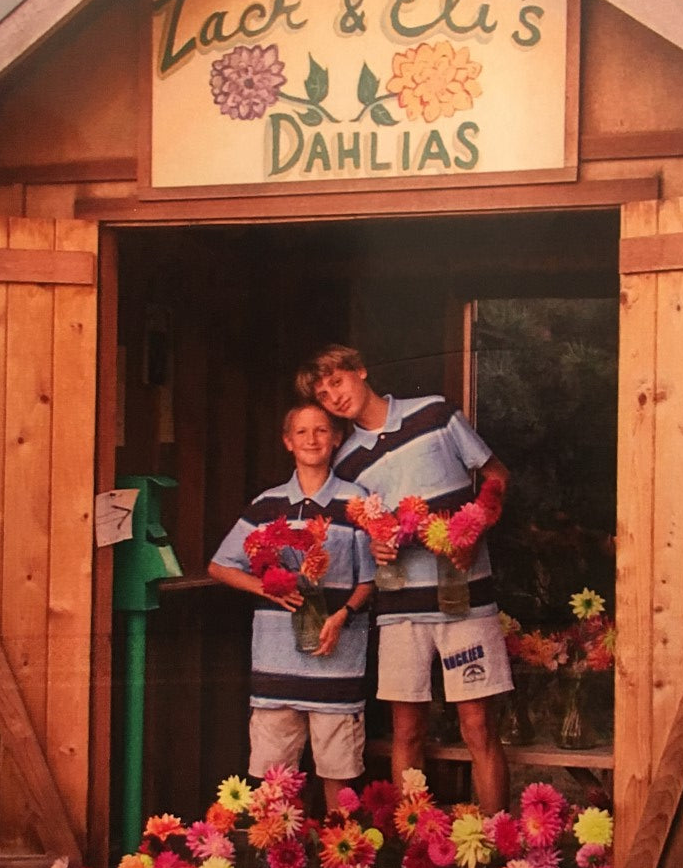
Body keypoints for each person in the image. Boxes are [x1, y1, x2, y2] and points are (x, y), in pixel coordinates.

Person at [295, 344, 513, 813]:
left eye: (337, 381)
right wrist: (376, 545)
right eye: (322, 392)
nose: (333, 396)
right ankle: (416, 847)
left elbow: (495, 474)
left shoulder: (434, 413)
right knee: (407, 731)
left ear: (361, 371)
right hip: (399, 608)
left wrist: (476, 525)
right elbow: (365, 532)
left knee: (477, 726)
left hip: (466, 600)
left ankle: (499, 853)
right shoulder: (346, 461)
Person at [208, 402, 375, 811]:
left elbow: (370, 580)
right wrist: (266, 587)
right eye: (302, 432)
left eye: (321, 430)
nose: (312, 439)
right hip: (276, 666)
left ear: (336, 438)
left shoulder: (357, 502)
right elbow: (219, 566)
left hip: (336, 662)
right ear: (288, 442)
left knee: (340, 779)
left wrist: (343, 615)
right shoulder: (266, 506)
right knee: (273, 787)